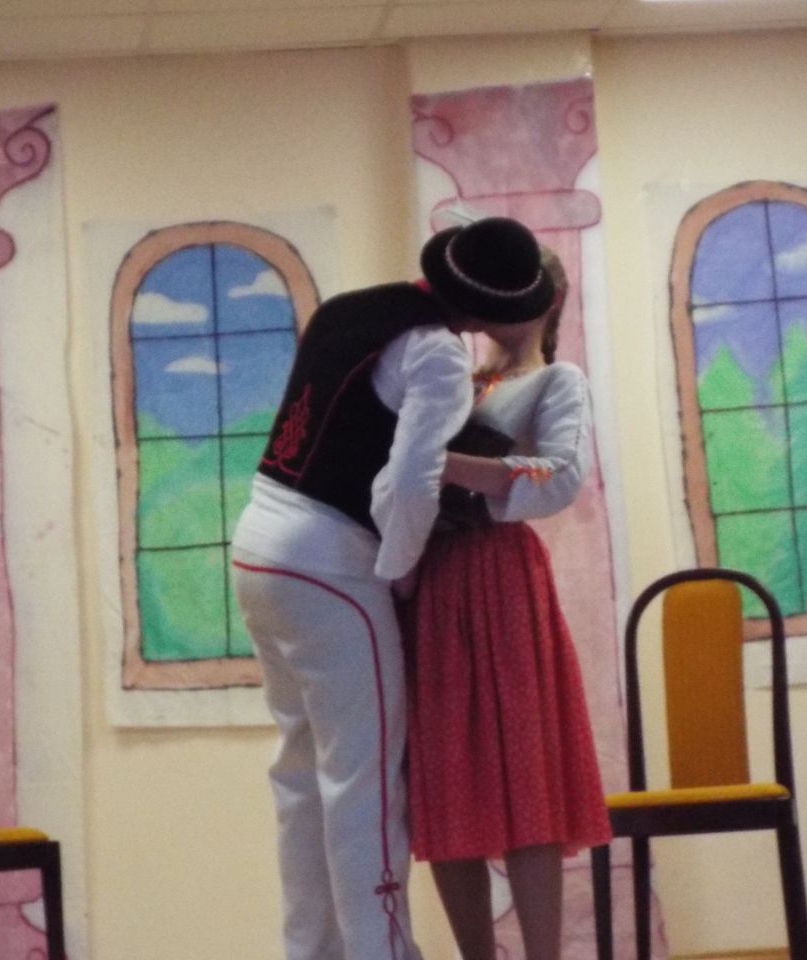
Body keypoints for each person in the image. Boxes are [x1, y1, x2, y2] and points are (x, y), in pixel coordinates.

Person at [230, 217, 556, 960]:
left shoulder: (348, 308)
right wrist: (401, 570)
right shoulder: (437, 354)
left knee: (300, 775)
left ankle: (313, 951)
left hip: (259, 546)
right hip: (330, 561)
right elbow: (411, 481)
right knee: (365, 781)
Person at [403, 242, 612, 960]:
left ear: (543, 303)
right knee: (447, 777)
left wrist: (442, 463)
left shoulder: (558, 380)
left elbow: (561, 477)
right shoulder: (461, 376)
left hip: (502, 581)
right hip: (435, 582)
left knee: (528, 777)